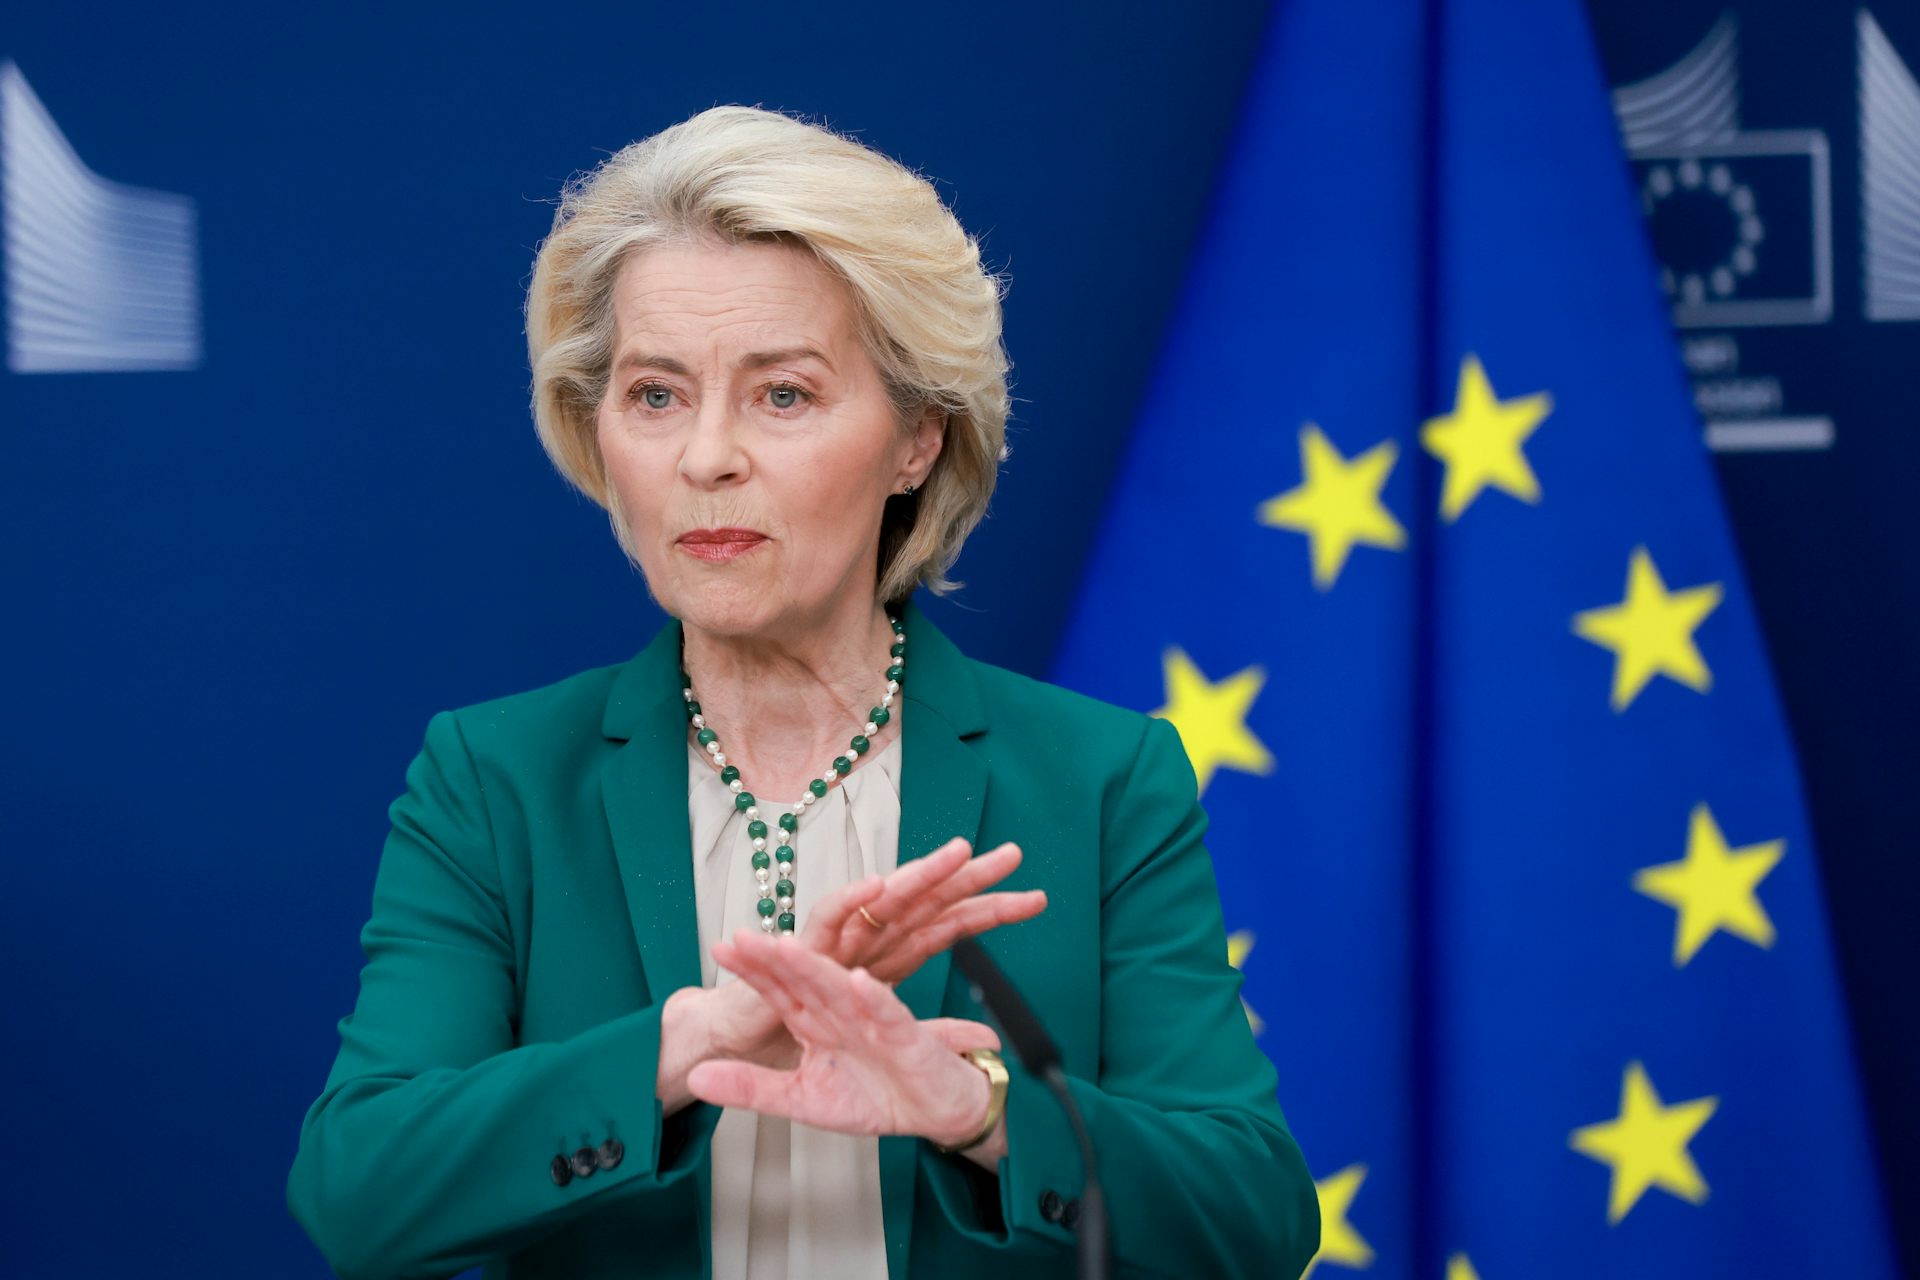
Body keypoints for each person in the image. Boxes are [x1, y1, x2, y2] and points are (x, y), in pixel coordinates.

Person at [285, 104, 1320, 1280]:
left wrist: (980, 1107)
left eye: (782, 394)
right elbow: (358, 1191)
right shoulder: (494, 779)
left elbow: (1255, 1220)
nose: (705, 457)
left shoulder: (1100, 777)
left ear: (917, 436)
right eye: (656, 394)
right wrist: (681, 1049)